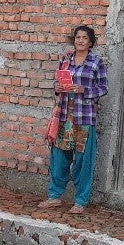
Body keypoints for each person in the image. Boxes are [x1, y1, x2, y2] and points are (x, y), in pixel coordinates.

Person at [38, 25, 108, 214]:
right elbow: (57, 81)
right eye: (78, 37)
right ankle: (54, 197)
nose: (80, 40)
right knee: (59, 158)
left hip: (84, 117)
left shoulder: (96, 62)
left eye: (85, 38)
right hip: (64, 116)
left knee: (83, 162)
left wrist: (84, 90)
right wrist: (57, 87)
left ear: (91, 42)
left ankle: (80, 200)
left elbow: (103, 88)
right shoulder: (66, 60)